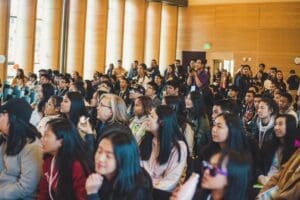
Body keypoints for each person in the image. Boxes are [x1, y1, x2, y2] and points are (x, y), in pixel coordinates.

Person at [85, 128, 153, 200]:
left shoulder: (138, 188)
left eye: (108, 156)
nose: (100, 159)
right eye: (99, 151)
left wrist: (92, 194)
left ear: (123, 159)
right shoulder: (100, 176)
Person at [38, 118, 92, 200]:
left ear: (61, 141)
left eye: (47, 135)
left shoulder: (76, 166)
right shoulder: (48, 161)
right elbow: (43, 193)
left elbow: (82, 197)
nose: (42, 139)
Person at [0, 98, 43, 199]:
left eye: (2, 115)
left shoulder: (32, 147)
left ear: (13, 119)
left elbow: (26, 187)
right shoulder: (6, 138)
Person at [140, 105, 188, 192]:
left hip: (159, 194)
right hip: (140, 190)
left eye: (151, 116)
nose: (147, 119)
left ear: (162, 122)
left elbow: (170, 181)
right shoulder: (146, 141)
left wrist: (148, 187)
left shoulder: (178, 148)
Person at [258, 114, 298, 185]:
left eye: (280, 124)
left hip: (284, 185)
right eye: (275, 124)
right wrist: (260, 177)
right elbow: (258, 165)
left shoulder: (297, 146)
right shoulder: (269, 144)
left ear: (290, 126)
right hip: (265, 182)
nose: (276, 128)